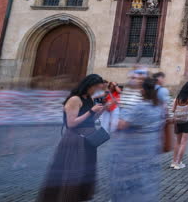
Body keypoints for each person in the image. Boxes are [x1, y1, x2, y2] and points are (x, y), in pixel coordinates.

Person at [37, 74, 106, 202]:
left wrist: (100, 110)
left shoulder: (90, 98)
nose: (98, 91)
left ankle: (80, 196)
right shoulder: (75, 99)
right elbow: (71, 123)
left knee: (85, 170)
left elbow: (91, 120)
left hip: (89, 139)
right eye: (97, 88)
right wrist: (91, 111)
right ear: (89, 85)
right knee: (73, 170)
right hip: (76, 139)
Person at [109, 77, 166, 201]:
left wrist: (121, 110)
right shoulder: (159, 106)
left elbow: (122, 124)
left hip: (134, 150)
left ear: (143, 91)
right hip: (150, 148)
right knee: (145, 178)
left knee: (132, 180)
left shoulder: (141, 106)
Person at [171, 81, 188, 170]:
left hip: (178, 120)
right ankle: (178, 163)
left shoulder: (178, 97)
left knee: (178, 142)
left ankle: (174, 161)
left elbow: (173, 109)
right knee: (183, 142)